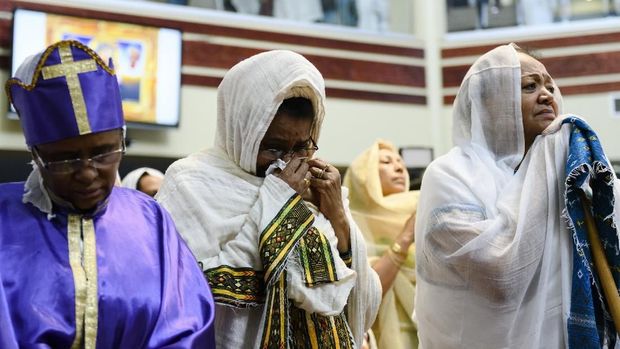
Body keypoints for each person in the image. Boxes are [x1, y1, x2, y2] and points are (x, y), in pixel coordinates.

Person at [156, 49, 381, 348]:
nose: (288, 163)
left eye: (302, 147)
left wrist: (339, 218)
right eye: (274, 148)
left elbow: (360, 297)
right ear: (243, 133)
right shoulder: (191, 184)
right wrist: (279, 200)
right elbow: (190, 293)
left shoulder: (315, 191)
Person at [1, 40, 215, 348]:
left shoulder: (150, 221)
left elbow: (186, 326)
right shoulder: (4, 222)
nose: (88, 172)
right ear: (36, 154)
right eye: (65, 158)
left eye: (104, 152)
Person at [415, 43, 620, 348]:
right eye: (529, 86)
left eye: (550, 86)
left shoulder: (572, 176)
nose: (547, 95)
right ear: (491, 102)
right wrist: (549, 161)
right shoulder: (449, 174)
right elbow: (499, 276)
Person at [343, 140, 418, 349]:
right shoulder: (348, 223)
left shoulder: (421, 207)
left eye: (400, 162)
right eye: (386, 162)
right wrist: (406, 236)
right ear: (364, 176)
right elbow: (363, 296)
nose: (399, 167)